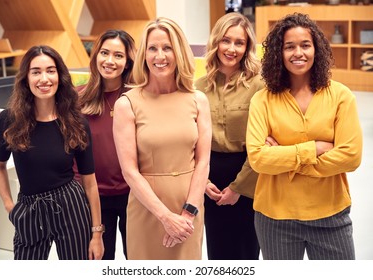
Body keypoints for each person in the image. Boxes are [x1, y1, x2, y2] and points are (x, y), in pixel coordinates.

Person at [246, 13, 363, 260]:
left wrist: (285, 161)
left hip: (331, 214)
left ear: (316, 49)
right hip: (275, 218)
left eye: (305, 45)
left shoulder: (341, 96)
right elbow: (258, 158)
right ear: (279, 52)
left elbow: (351, 157)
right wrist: (314, 149)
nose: (298, 52)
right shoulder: (262, 100)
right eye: (289, 46)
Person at [113, 17, 212, 260]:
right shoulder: (127, 104)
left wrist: (188, 213)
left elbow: (202, 162)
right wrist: (166, 217)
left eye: (167, 48)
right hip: (148, 210)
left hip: (189, 206)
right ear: (143, 55)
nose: (160, 56)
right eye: (153, 48)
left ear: (178, 52)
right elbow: (130, 172)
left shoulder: (198, 100)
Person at [0, 45, 104, 260]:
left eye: (50, 70)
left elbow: (90, 182)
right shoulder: (9, 119)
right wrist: (10, 207)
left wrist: (96, 234)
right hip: (29, 208)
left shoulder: (76, 122)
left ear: (60, 76)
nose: (44, 78)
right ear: (26, 78)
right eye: (36, 72)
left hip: (71, 205)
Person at [195, 12, 264, 260]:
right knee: (217, 250)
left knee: (246, 252)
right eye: (226, 40)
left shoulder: (260, 85)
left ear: (247, 48)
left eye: (239, 43)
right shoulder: (199, 86)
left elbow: (264, 142)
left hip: (248, 174)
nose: (231, 48)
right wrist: (203, 181)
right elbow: (191, 140)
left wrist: (238, 188)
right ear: (216, 42)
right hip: (210, 177)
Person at [75, 29, 136, 260]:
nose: (110, 61)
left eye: (118, 55)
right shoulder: (77, 99)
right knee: (100, 261)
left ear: (128, 62)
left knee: (138, 261)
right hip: (93, 198)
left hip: (133, 196)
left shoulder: (136, 98)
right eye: (104, 53)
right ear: (96, 56)